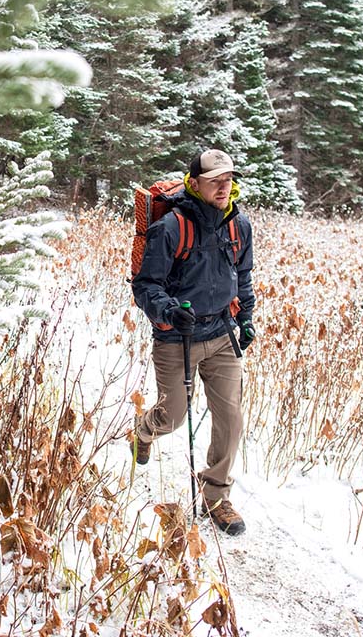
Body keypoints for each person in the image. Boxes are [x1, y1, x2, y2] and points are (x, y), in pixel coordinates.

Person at [130, 149, 256, 535]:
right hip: (176, 338)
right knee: (173, 416)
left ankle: (216, 496)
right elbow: (145, 286)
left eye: (229, 178)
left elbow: (243, 276)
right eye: (215, 179)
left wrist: (246, 318)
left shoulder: (239, 226)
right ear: (195, 183)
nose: (224, 185)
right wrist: (169, 312)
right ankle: (143, 430)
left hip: (220, 335)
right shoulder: (171, 227)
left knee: (231, 419)